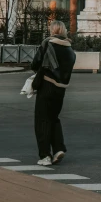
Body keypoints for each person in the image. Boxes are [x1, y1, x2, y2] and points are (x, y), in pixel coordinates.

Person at [31, 20, 76, 167]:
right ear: (64, 31)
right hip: (61, 88)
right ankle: (58, 149)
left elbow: (36, 63)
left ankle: (45, 155)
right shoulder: (70, 48)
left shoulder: (48, 43)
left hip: (47, 85)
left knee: (42, 120)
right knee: (54, 118)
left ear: (52, 30)